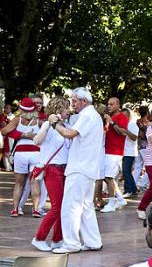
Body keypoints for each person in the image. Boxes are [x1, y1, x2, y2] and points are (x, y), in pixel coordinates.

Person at [50, 87, 103, 254]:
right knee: (85, 206)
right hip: (87, 167)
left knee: (71, 206)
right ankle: (93, 241)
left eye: (74, 101)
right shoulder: (91, 115)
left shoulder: (88, 115)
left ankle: (71, 244)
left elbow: (69, 133)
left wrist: (54, 124)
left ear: (84, 101)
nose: (72, 103)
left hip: (80, 167)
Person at [31, 97, 72, 251]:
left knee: (64, 206)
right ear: (58, 109)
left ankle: (57, 239)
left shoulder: (68, 125)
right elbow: (37, 141)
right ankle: (39, 238)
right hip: (53, 169)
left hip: (65, 169)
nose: (69, 110)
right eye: (66, 108)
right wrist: (48, 124)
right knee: (57, 206)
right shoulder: (48, 125)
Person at [0, 97, 42, 217]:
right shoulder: (39, 121)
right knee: (35, 182)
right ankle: (36, 209)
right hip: (36, 153)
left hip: (20, 154)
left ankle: (15, 209)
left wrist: (21, 135)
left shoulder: (17, 120)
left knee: (19, 183)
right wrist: (29, 136)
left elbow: (3, 131)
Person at [99, 97, 129, 213]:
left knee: (108, 177)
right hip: (108, 151)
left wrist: (112, 123)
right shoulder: (111, 117)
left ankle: (112, 202)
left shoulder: (121, 117)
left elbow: (123, 132)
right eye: (108, 104)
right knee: (107, 177)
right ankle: (120, 199)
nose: (109, 106)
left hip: (115, 152)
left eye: (112, 104)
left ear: (118, 105)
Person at [121, 108, 139, 198]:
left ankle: (128, 190)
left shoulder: (132, 125)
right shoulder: (123, 124)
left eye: (125, 115)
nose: (123, 117)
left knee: (126, 171)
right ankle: (134, 189)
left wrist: (126, 131)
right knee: (126, 171)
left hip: (130, 152)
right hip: (123, 152)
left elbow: (135, 138)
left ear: (129, 116)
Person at [132, 105, 151, 192]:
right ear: (147, 112)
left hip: (138, 146)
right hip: (146, 146)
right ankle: (143, 184)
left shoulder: (137, 121)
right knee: (149, 166)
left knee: (137, 167)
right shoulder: (148, 122)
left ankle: (134, 185)